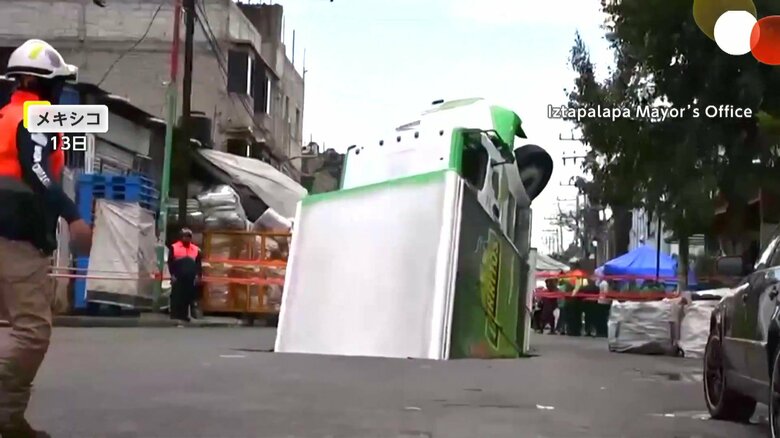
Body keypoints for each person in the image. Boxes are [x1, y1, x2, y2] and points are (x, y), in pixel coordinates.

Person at [0, 39, 91, 437]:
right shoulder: (36, 118)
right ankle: (5, 417)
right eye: (57, 85)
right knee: (32, 331)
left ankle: (9, 420)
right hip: (17, 237)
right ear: (42, 85)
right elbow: (36, 169)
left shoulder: (5, 114)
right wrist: (73, 216)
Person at [168, 228, 202, 325]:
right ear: (181, 237)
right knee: (177, 296)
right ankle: (175, 315)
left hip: (190, 276)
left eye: (188, 237)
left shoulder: (195, 249)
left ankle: (185, 315)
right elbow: (170, 263)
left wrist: (198, 276)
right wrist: (172, 275)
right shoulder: (174, 247)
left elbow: (198, 264)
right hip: (178, 275)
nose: (186, 239)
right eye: (185, 236)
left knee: (188, 296)